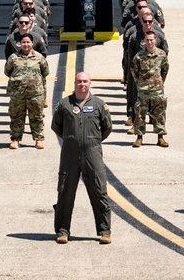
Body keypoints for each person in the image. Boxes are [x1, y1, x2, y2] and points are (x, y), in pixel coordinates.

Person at [51, 72, 113, 245]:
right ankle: (62, 231)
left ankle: (104, 231)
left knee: (99, 191)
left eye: (85, 81)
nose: (82, 84)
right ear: (75, 83)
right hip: (69, 155)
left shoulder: (99, 104)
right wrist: (73, 140)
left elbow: (107, 127)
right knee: (65, 192)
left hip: (92, 154)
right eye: (79, 81)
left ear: (90, 83)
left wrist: (91, 141)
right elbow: (56, 126)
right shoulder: (64, 104)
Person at [4, 34, 50, 149]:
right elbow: (7, 71)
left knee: (37, 117)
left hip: (35, 93)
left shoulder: (39, 57)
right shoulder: (13, 57)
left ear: (32, 43)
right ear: (20, 44)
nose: (26, 44)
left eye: (28, 42)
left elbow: (45, 72)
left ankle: (38, 139)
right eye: (23, 42)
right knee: (16, 117)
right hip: (17, 94)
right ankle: (15, 139)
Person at [130, 31, 170, 148]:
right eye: (147, 40)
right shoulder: (139, 56)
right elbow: (134, 71)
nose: (150, 42)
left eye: (152, 40)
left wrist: (160, 82)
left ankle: (160, 137)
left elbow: (165, 69)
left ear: (155, 40)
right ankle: (139, 138)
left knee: (159, 114)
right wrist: (140, 83)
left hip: (157, 90)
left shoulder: (162, 54)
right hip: (143, 90)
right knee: (140, 114)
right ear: (144, 41)